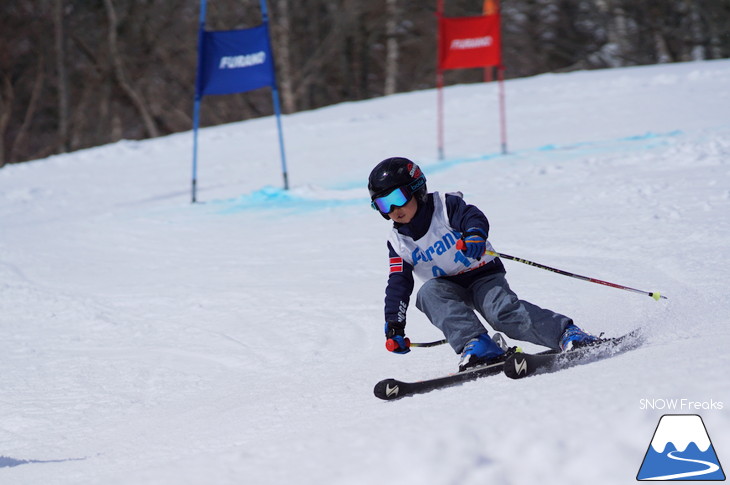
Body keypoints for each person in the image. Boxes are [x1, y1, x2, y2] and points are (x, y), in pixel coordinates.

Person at [368, 157, 600, 371]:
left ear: (417, 189)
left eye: (396, 199)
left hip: (482, 275)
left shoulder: (444, 206)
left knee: (502, 313)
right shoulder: (398, 242)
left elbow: (472, 216)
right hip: (446, 288)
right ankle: (478, 344)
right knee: (428, 293)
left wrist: (475, 235)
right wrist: (395, 325)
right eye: (382, 205)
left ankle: (567, 333)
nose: (393, 210)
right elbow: (398, 283)